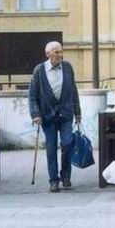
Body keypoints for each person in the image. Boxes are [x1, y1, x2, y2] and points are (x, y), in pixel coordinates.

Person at [28, 41, 82, 193]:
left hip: (65, 114)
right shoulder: (39, 70)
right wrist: (35, 114)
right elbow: (32, 95)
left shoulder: (67, 67)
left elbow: (73, 90)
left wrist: (78, 111)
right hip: (47, 115)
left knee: (68, 143)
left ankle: (66, 176)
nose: (60, 55)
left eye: (61, 51)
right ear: (48, 54)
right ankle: (53, 180)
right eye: (57, 52)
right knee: (51, 148)